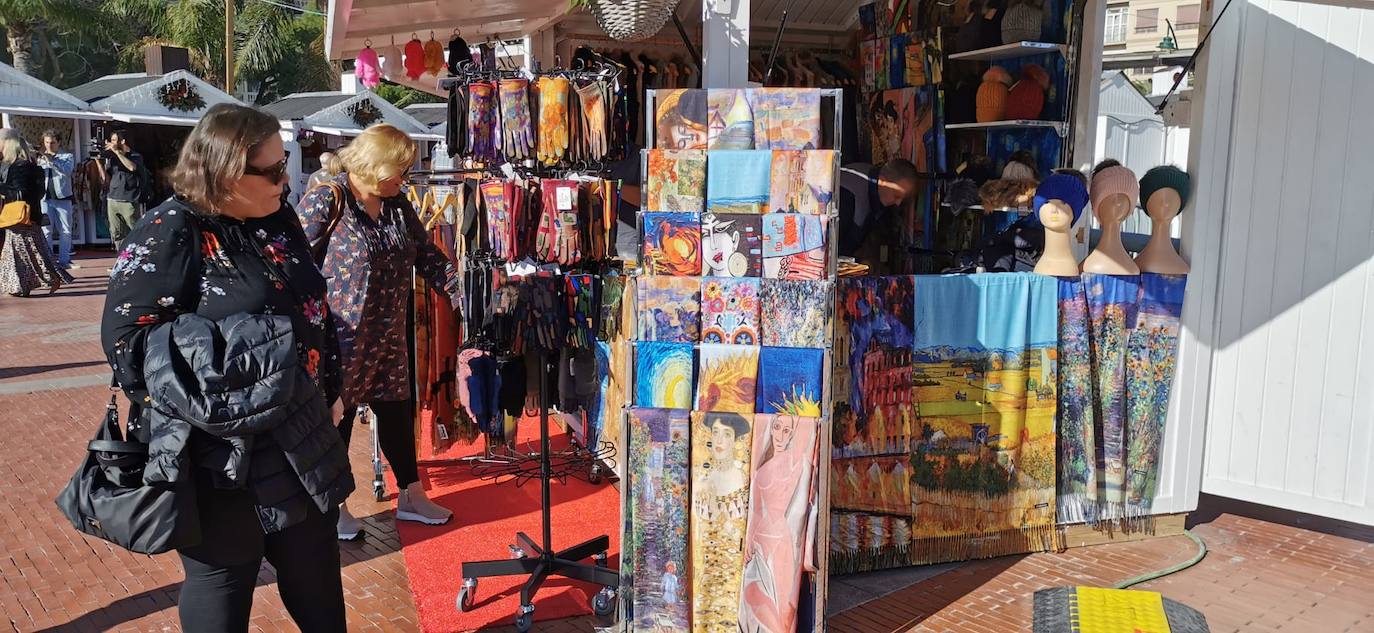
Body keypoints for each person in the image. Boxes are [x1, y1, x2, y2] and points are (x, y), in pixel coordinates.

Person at [100, 103, 353, 632]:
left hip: (300, 435)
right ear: (226, 171)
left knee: (316, 572)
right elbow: (128, 343)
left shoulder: (278, 218)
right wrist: (230, 387)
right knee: (225, 579)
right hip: (218, 454)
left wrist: (332, 387)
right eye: (275, 169)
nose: (288, 179)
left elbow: (312, 308)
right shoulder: (170, 229)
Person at [298, 124, 458, 540]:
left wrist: (467, 294)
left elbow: (427, 256)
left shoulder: (397, 205)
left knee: (396, 414)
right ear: (373, 165)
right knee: (339, 418)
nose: (404, 179)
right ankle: (332, 504)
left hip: (388, 333)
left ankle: (411, 494)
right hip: (341, 336)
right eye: (399, 170)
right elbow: (291, 264)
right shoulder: (329, 198)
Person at [0, 129, 72, 296]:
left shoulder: (20, 166)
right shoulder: (28, 164)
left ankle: (31, 283)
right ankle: (34, 282)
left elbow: (20, 192)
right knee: (31, 252)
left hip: (21, 216)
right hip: (29, 215)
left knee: (21, 253)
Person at [837, 158, 919, 271]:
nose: (898, 203)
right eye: (896, 196)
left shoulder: (876, 192)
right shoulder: (848, 196)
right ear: (882, 181)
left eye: (902, 199)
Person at [94, 129, 150, 249]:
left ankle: (141, 257)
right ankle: (122, 260)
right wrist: (99, 163)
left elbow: (132, 168)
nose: (111, 143)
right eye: (111, 140)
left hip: (129, 200)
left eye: (114, 140)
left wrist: (117, 152)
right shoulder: (112, 158)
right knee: (116, 233)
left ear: (122, 141)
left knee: (136, 230)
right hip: (112, 199)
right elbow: (106, 180)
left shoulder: (135, 156)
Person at [37, 129, 78, 269]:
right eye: (46, 142)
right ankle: (49, 261)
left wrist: (52, 161)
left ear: (59, 143)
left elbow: (67, 171)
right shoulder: (40, 157)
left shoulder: (67, 156)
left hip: (63, 198)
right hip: (45, 198)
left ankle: (64, 260)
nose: (49, 146)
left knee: (65, 230)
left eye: (52, 143)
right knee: (46, 230)